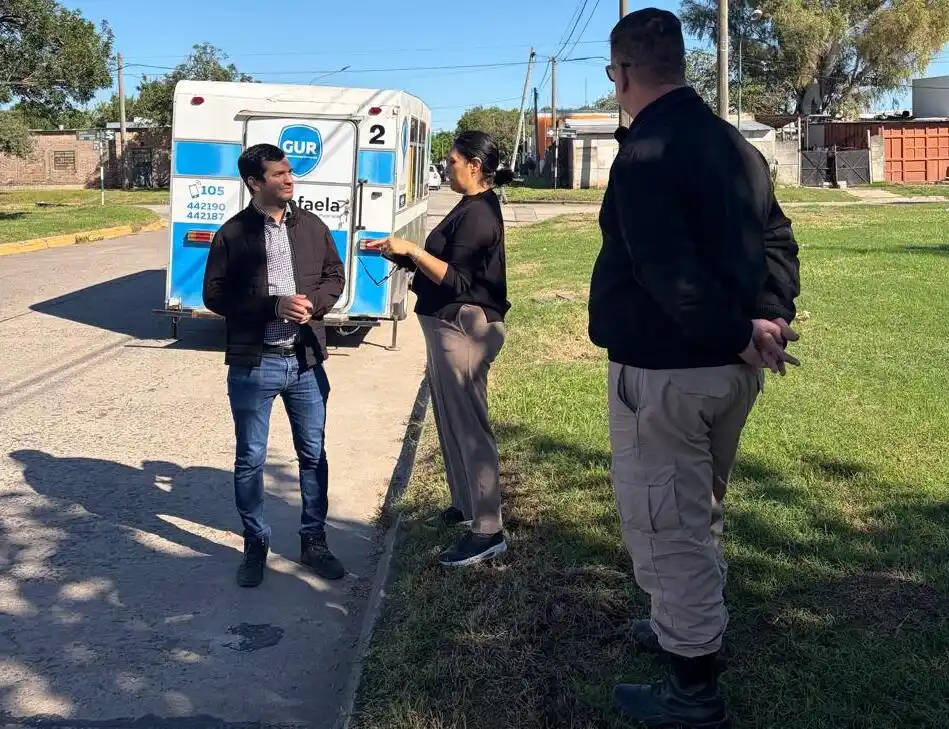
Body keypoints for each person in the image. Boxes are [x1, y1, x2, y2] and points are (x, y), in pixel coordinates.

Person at [588, 9, 801, 728]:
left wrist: (739, 330)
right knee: (695, 509)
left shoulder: (646, 152)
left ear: (622, 72)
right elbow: (778, 237)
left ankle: (692, 690)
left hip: (670, 375)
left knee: (666, 525)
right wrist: (768, 316)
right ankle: (684, 624)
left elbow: (666, 272)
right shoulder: (733, 144)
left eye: (613, 74)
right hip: (729, 373)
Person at [365, 131, 514, 567]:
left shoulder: (479, 214)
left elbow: (458, 280)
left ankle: (488, 529)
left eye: (452, 161)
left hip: (463, 328)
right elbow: (446, 266)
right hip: (446, 326)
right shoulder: (469, 205)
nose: (446, 167)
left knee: (469, 425)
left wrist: (412, 249)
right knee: (450, 420)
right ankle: (466, 505)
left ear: (474, 165)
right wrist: (401, 257)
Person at [203, 143, 346, 588]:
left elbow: (334, 275)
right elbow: (214, 295)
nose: (289, 179)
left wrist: (314, 305)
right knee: (250, 458)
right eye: (279, 174)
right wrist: (273, 306)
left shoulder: (312, 226)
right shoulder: (233, 234)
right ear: (254, 182)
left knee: (313, 454)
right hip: (255, 364)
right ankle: (255, 544)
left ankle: (314, 541)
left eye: (290, 172)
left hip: (305, 363)